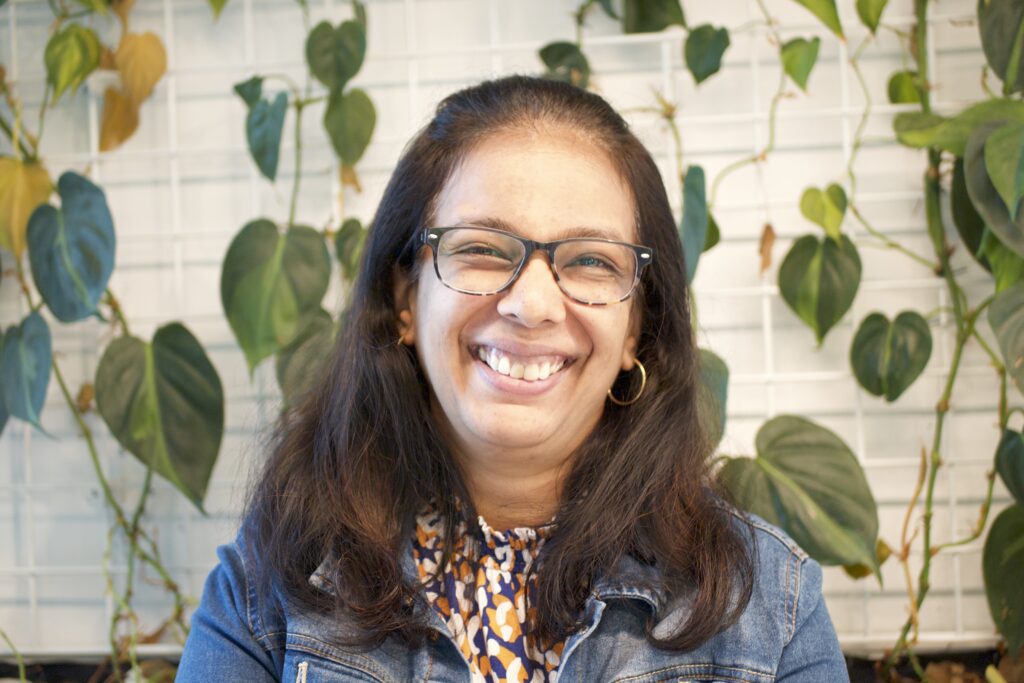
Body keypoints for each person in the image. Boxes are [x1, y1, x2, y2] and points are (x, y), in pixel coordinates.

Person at [176, 74, 848, 682]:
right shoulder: (269, 590)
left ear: (637, 329)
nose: (531, 304)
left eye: (589, 261)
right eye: (480, 249)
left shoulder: (768, 605)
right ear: (406, 298)